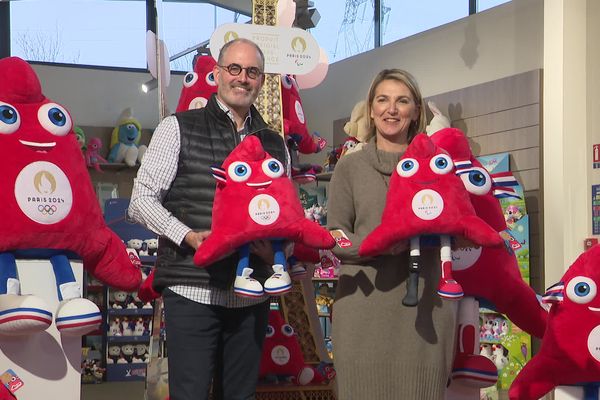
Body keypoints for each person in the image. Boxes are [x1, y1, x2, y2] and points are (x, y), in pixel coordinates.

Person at [128, 38, 289, 400]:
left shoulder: (275, 144)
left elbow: (286, 215)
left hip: (251, 296)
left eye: (252, 72)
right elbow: (140, 201)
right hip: (192, 289)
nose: (242, 78)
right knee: (191, 393)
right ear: (216, 73)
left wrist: (276, 251)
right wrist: (187, 235)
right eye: (234, 68)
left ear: (261, 80)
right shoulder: (178, 127)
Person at [326, 69, 457, 399]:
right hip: (362, 308)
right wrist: (382, 244)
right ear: (370, 109)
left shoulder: (439, 166)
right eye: (382, 100)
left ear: (416, 111)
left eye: (402, 101)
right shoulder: (349, 167)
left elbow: (459, 222)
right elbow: (336, 235)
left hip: (426, 312)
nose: (392, 109)